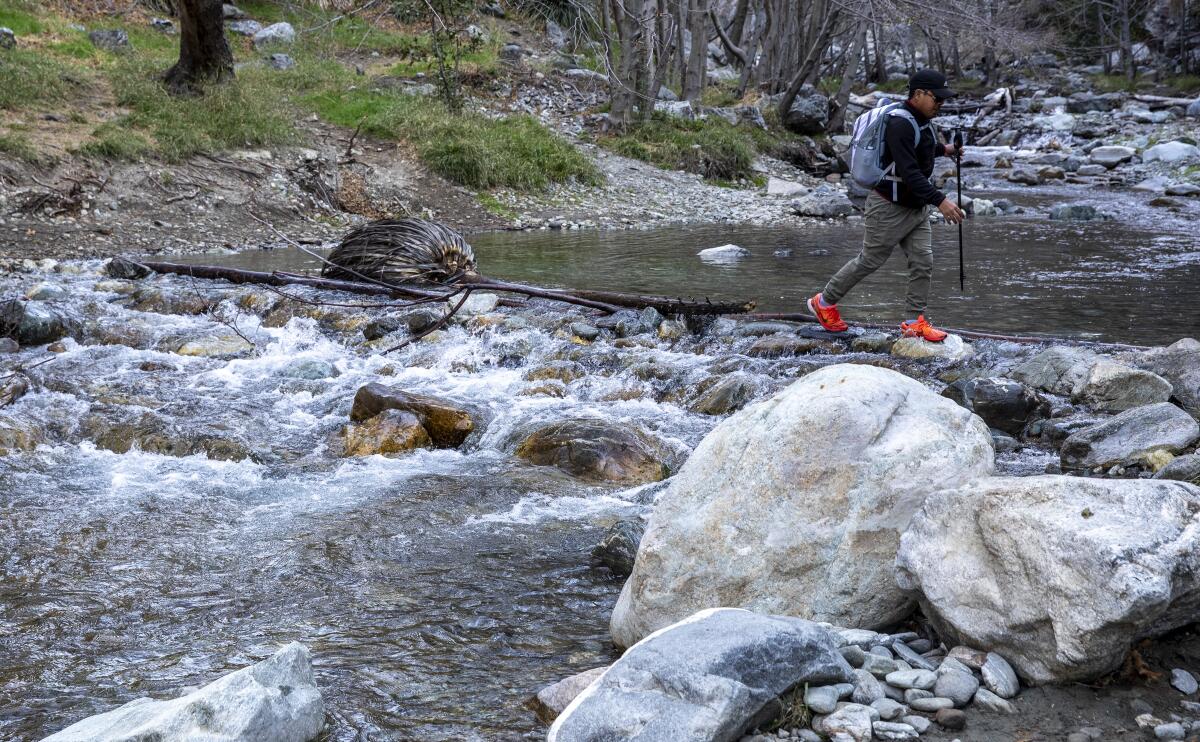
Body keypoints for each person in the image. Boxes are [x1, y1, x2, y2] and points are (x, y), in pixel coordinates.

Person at [808, 69, 965, 342]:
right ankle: (823, 303)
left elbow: (922, 148)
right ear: (918, 94)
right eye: (937, 98)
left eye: (943, 99)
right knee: (869, 260)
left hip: (915, 208)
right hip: (889, 207)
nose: (941, 104)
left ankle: (913, 321)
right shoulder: (899, 123)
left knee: (923, 261)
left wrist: (947, 150)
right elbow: (910, 172)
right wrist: (941, 201)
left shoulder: (923, 120)